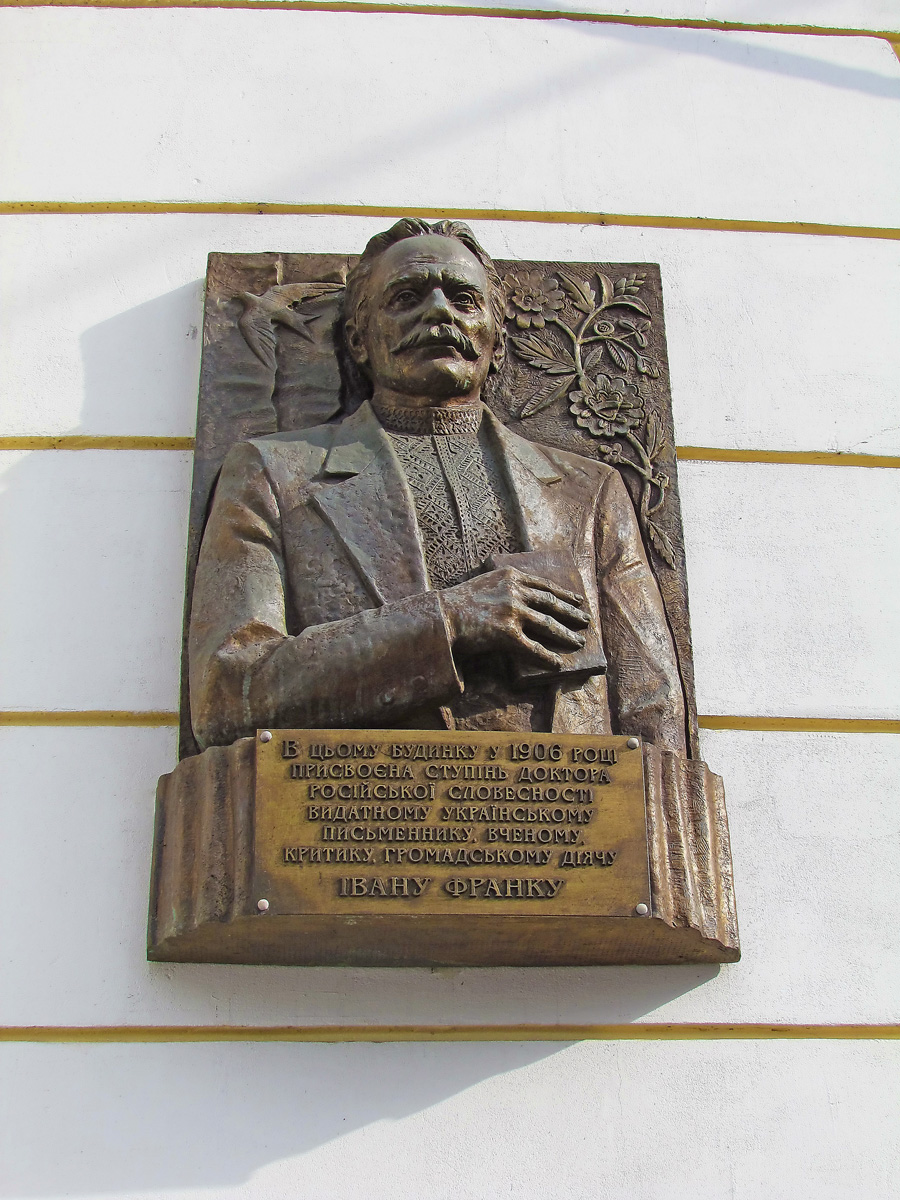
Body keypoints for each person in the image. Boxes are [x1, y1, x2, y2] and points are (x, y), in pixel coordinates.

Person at [188, 219, 686, 752]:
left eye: (464, 300)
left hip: (565, 800)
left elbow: (653, 712)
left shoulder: (589, 491)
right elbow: (227, 694)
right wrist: (449, 619)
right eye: (406, 298)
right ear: (358, 340)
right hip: (362, 798)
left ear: (497, 339)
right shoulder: (272, 474)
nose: (439, 313)